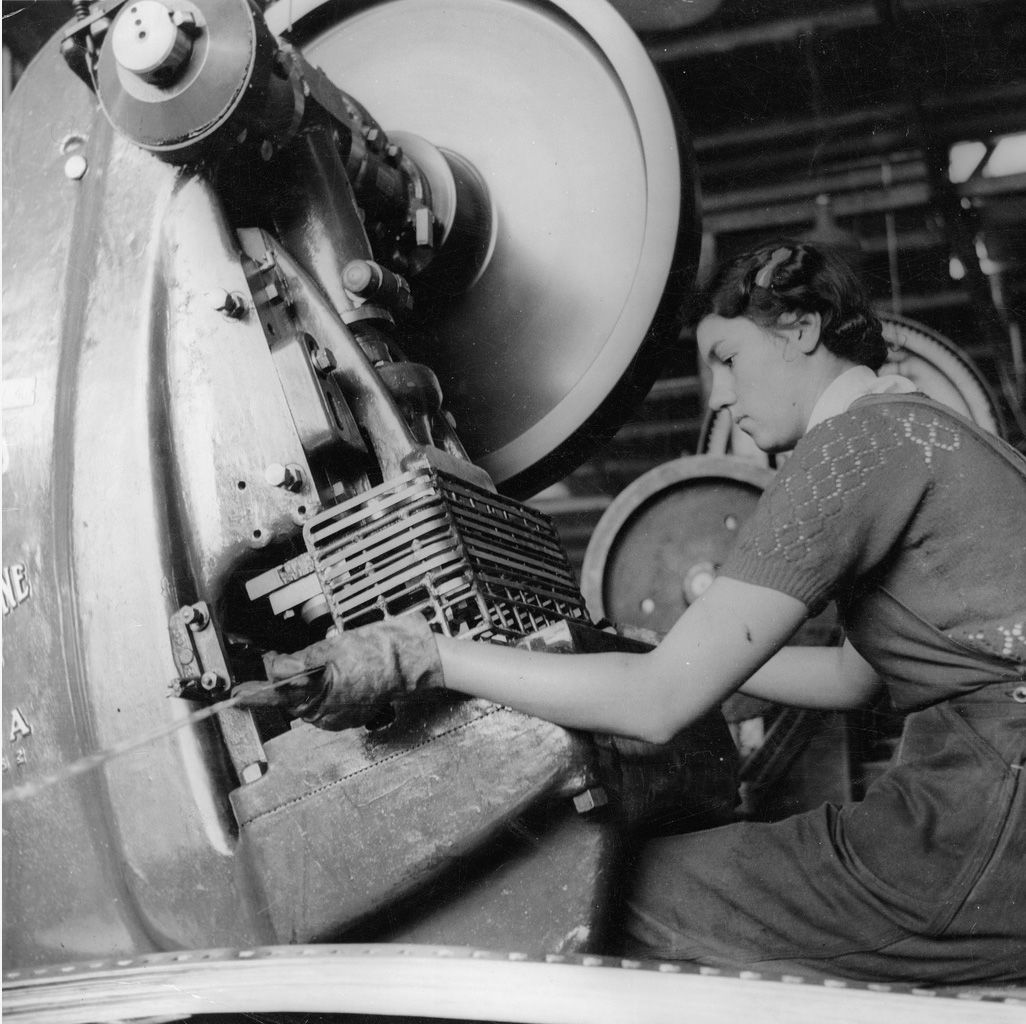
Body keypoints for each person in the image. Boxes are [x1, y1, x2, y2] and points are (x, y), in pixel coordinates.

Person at [238, 241, 1026, 983]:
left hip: (977, 835)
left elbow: (654, 706)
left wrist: (426, 654)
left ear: (803, 328)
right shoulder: (929, 428)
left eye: (727, 358)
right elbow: (856, 678)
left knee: (599, 893)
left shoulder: (855, 445)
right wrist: (670, 648)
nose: (720, 393)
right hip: (995, 819)